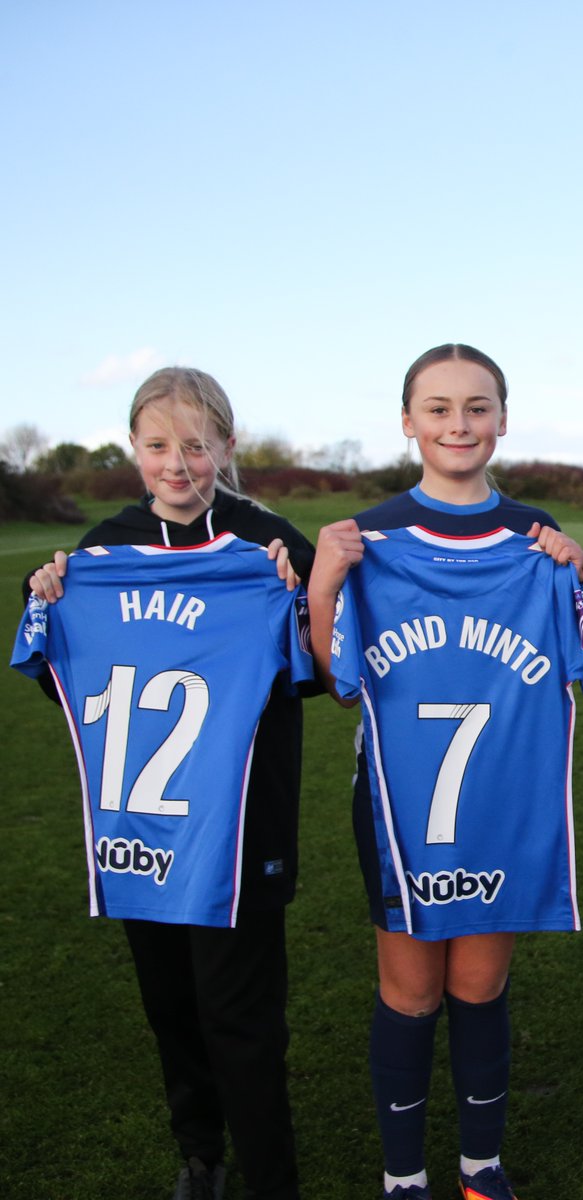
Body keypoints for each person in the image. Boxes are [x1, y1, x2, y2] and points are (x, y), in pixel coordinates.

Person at [305, 343, 583, 1200]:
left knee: (478, 983)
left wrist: (579, 570)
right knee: (409, 989)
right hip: (400, 807)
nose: (458, 424)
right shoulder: (371, 538)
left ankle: (479, 1167)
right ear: (407, 422)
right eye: (438, 408)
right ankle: (403, 1177)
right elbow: (336, 686)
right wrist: (325, 584)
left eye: (476, 407)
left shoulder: (538, 538)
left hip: (501, 802)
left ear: (502, 420)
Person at [21, 367, 315, 1200]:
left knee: (242, 1019)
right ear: (134, 449)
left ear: (227, 445)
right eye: (159, 445)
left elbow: (319, 670)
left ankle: (271, 1180)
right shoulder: (102, 548)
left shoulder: (271, 543)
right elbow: (66, 679)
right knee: (173, 1008)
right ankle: (201, 1156)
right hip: (140, 828)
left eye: (195, 444)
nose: (177, 463)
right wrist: (47, 599)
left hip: (241, 827)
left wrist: (297, 601)